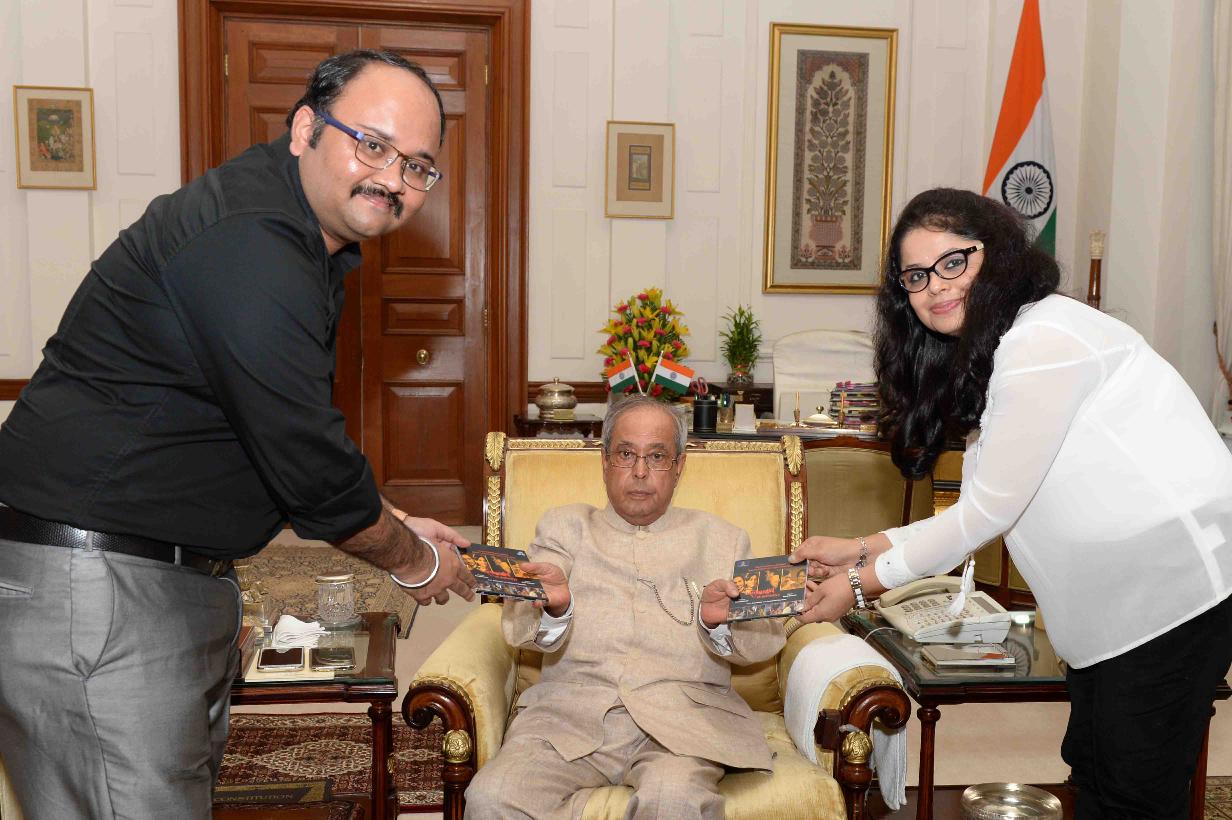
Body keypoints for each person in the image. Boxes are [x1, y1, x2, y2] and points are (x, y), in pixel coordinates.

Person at [0, 50, 477, 819]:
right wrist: (417, 562)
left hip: (145, 578)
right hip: (100, 590)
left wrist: (392, 518)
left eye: (417, 166)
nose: (393, 178)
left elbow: (261, 431)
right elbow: (307, 464)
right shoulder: (254, 241)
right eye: (372, 145)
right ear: (305, 129)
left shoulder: (293, 234)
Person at [791, 187, 1232, 819]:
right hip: (1111, 610)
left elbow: (987, 513)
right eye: (916, 276)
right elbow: (981, 503)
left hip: (1168, 595)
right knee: (1096, 772)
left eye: (954, 261)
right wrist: (861, 547)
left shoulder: (1041, 338)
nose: (936, 287)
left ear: (995, 254)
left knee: (1134, 792)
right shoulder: (1001, 347)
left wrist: (860, 583)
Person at [464, 396, 785, 819]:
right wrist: (555, 609)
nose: (640, 472)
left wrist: (719, 625)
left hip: (682, 726)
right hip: (568, 719)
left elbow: (767, 639)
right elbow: (520, 627)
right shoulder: (564, 528)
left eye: (657, 457)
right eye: (626, 454)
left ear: (679, 466)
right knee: (493, 797)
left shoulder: (722, 539)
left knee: (674, 801)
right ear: (604, 461)